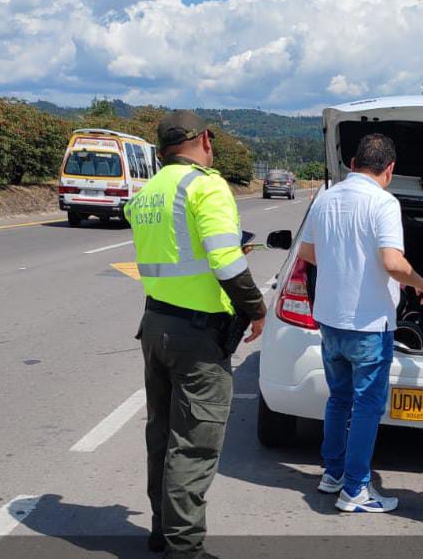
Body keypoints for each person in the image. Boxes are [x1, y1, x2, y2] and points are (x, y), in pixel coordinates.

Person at [125, 110, 267, 559]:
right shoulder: (206, 186)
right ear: (205, 139)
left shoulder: (147, 192)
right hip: (199, 335)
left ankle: (161, 531)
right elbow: (226, 264)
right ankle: (184, 548)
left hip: (156, 325)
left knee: (162, 435)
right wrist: (256, 308)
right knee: (194, 444)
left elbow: (176, 250)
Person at [295, 133, 423, 513]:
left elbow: (307, 252)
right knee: (367, 405)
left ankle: (333, 473)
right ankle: (355, 489)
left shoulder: (325, 198)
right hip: (369, 324)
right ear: (389, 169)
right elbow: (391, 263)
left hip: (329, 320)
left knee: (339, 399)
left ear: (353, 164)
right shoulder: (384, 203)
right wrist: (422, 284)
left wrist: (343, 265)